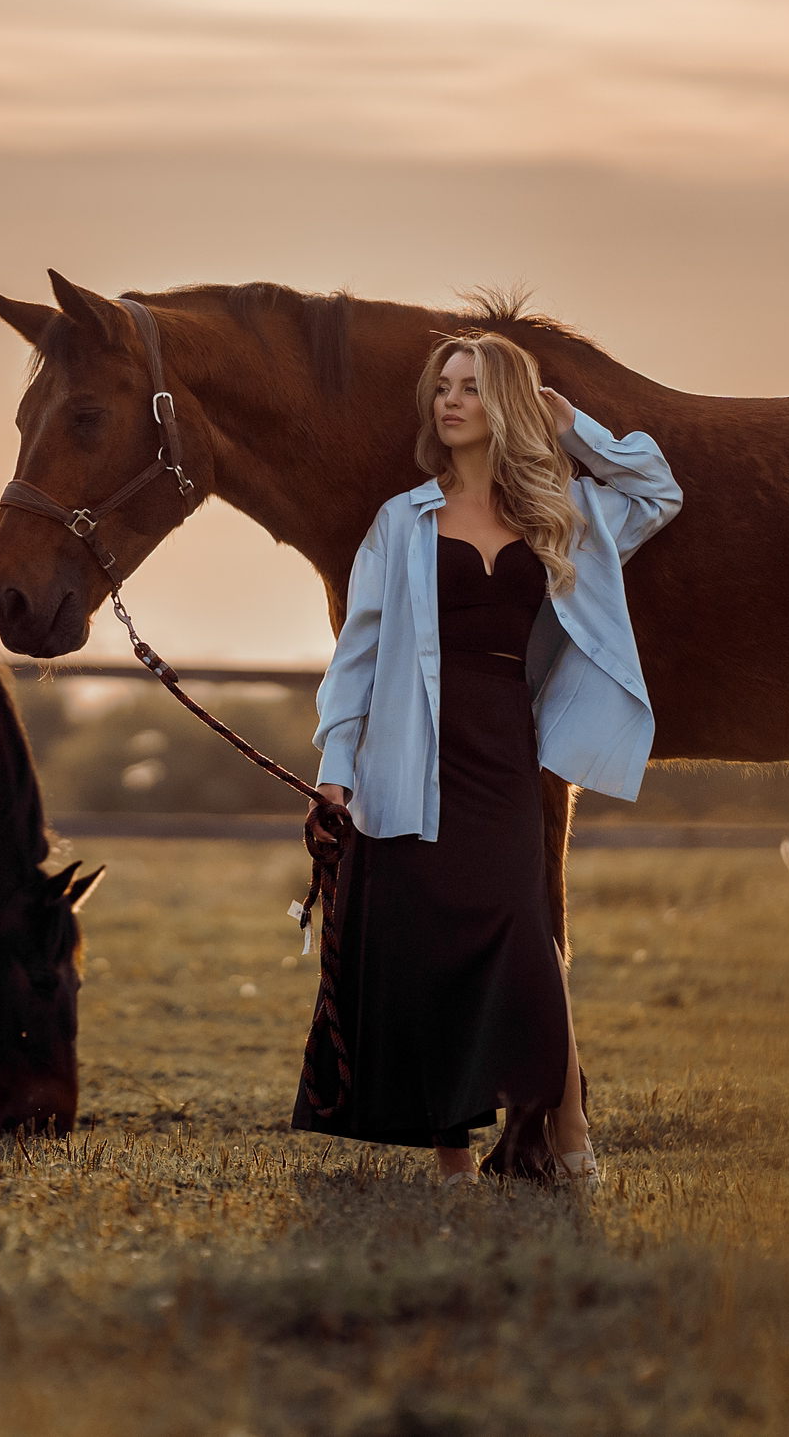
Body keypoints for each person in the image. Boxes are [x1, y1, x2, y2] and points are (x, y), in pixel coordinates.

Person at [291, 330, 681, 1185]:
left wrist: (574, 427)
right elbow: (357, 654)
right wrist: (335, 770)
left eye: (470, 386)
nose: (451, 400)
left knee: (524, 932)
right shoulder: (401, 520)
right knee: (428, 949)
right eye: (443, 387)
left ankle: (569, 1121)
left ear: (505, 401)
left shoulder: (560, 513)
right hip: (411, 751)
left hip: (506, 749)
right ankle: (454, 1162)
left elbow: (658, 490)